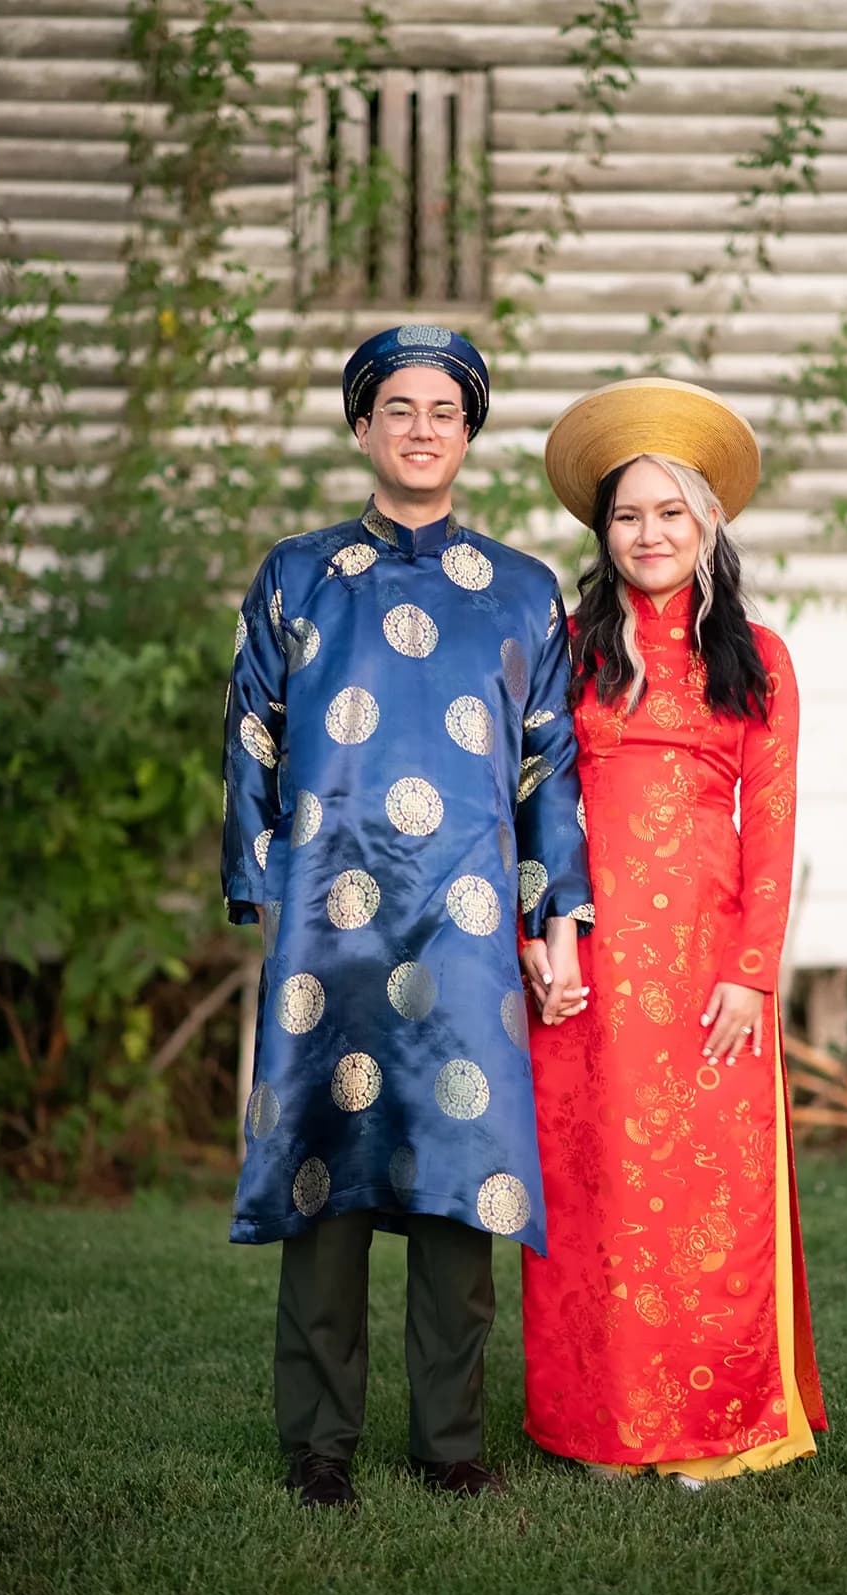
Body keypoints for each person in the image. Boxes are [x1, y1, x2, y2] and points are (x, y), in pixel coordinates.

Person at [221, 325, 592, 1509]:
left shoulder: (526, 595)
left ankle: (448, 1442)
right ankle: (317, 1442)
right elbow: (250, 742)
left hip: (469, 931)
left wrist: (554, 919)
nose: (421, 427)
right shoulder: (294, 576)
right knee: (323, 1184)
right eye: (398, 408)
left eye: (444, 409)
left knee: (463, 1174)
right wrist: (269, 880)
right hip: (329, 927)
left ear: (468, 432)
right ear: (362, 426)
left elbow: (551, 775)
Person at [520, 377, 827, 1486]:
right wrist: (536, 936)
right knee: (591, 1185)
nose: (647, 533)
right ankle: (598, 1424)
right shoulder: (561, 649)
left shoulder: (757, 659)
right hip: (587, 963)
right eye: (625, 514)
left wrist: (752, 972)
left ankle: (714, 1423)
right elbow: (522, 802)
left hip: (705, 969)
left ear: (707, 522)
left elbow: (773, 831)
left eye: (668, 511)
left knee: (707, 1193)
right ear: (602, 531)